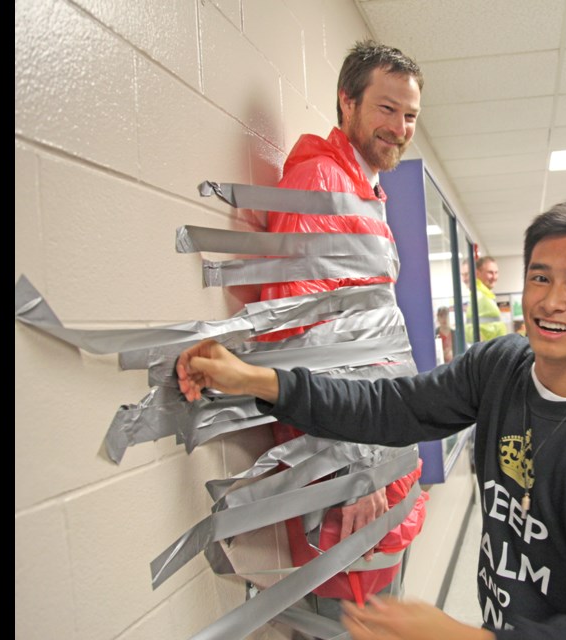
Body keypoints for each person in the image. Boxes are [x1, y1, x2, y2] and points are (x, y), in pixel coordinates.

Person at [177, 194, 566, 639]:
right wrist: (257, 381)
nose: (551, 300)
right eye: (540, 276)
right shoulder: (500, 367)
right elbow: (390, 409)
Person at [254, 40, 425, 611]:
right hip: (349, 472)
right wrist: (359, 470)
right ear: (345, 103)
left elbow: (366, 336)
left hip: (377, 457)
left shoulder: (362, 190)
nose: (400, 127)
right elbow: (302, 337)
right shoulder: (321, 184)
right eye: (386, 108)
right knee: (350, 619)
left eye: (410, 115)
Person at [470, 256, 508, 341]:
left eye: (496, 272)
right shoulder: (478, 296)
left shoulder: (486, 296)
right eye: (490, 272)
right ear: (477, 273)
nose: (494, 277)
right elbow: (472, 330)